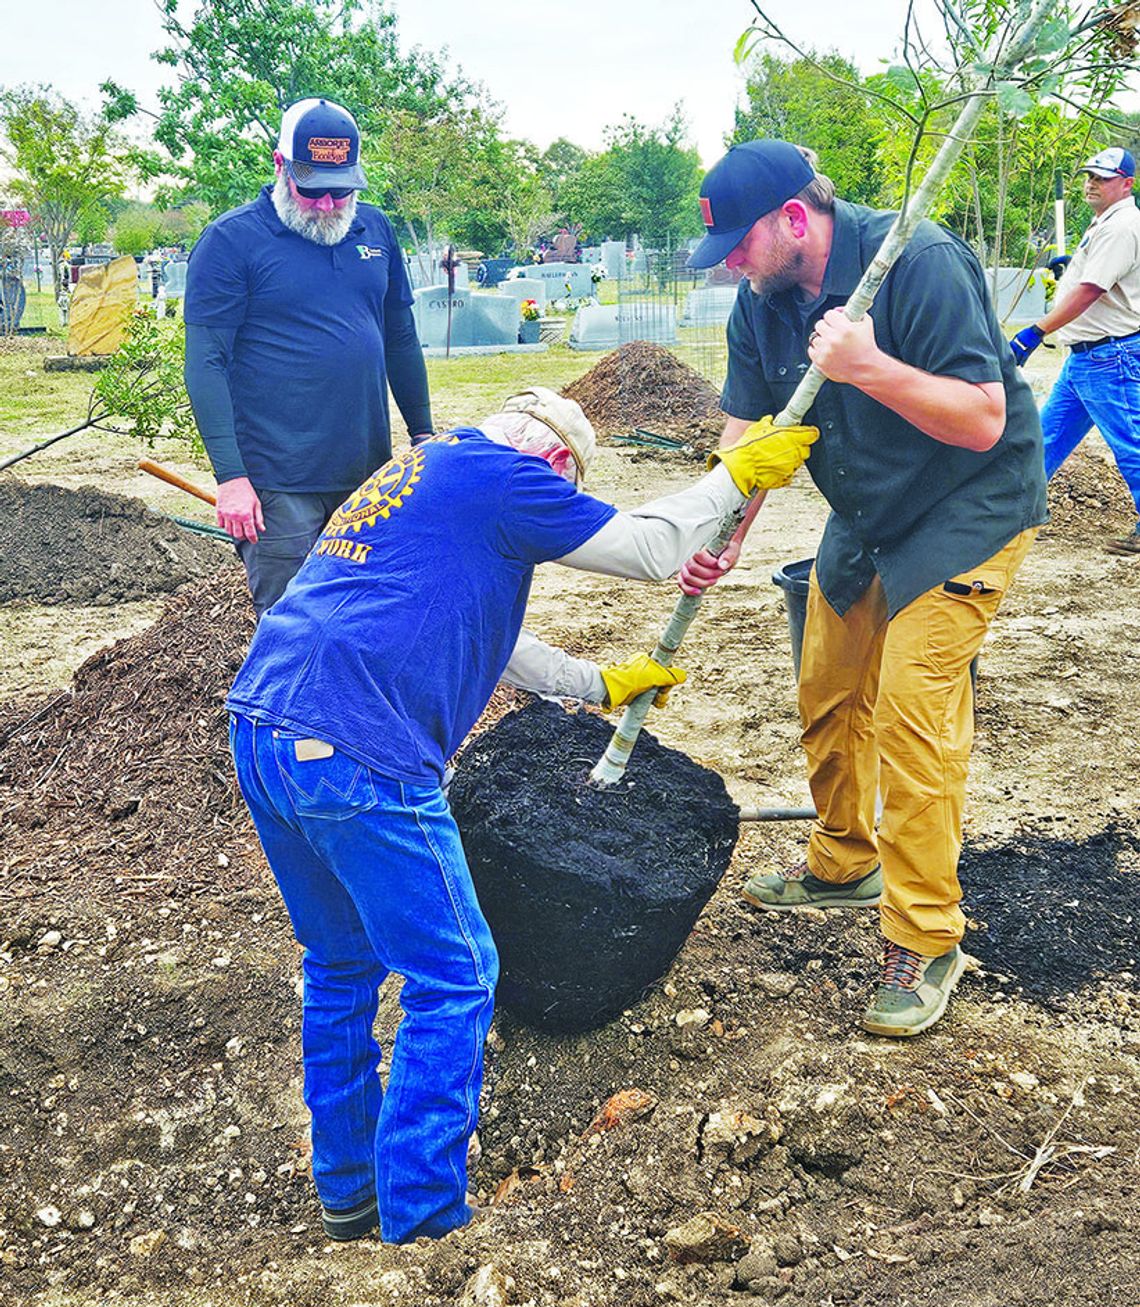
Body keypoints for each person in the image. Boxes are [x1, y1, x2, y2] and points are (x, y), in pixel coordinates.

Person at [226, 387, 816, 1244]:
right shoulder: (512, 478)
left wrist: (601, 684)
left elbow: (488, 638)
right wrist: (732, 477)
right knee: (456, 975)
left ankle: (349, 1191)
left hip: (265, 730)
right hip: (359, 751)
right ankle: (425, 1222)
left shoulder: (420, 475)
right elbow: (652, 548)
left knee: (341, 965)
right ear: (552, 466)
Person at [679, 140, 1047, 1038]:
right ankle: (845, 860)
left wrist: (866, 364)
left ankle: (927, 936)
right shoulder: (760, 303)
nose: (729, 261)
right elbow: (748, 435)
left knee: (911, 709)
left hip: (970, 505)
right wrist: (718, 532)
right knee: (829, 684)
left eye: (738, 241)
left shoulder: (917, 263)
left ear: (795, 220)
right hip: (870, 508)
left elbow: (984, 416)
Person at [184, 98, 433, 617]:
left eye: (341, 191)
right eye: (313, 188)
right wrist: (231, 478)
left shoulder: (376, 230)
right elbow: (206, 362)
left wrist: (423, 435)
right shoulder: (231, 241)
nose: (327, 205)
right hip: (277, 482)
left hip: (368, 474)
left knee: (365, 614)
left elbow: (400, 339)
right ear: (280, 166)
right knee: (293, 622)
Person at [1009, 147, 1140, 555]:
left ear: (1127, 183)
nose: (1091, 183)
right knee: (1045, 437)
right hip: (1086, 357)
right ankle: (1013, 514)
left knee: (1131, 444)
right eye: (1089, 176)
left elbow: (1091, 291)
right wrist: (1074, 266)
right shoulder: (1106, 222)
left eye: (1102, 177)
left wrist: (1035, 331)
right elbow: (1094, 281)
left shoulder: (1122, 226)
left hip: (1108, 356)